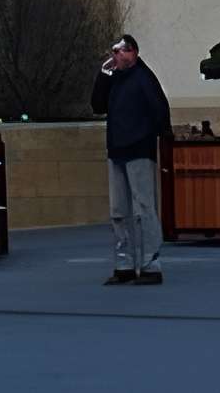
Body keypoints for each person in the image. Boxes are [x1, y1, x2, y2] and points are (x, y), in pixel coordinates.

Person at [90, 33, 170, 285]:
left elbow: (160, 110)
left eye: (122, 50)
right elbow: (98, 105)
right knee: (118, 210)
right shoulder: (115, 79)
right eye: (114, 51)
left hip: (138, 149)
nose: (117, 55)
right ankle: (123, 263)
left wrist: (152, 138)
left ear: (133, 52)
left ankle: (150, 263)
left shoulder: (143, 78)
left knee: (143, 208)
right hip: (117, 150)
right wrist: (103, 76)